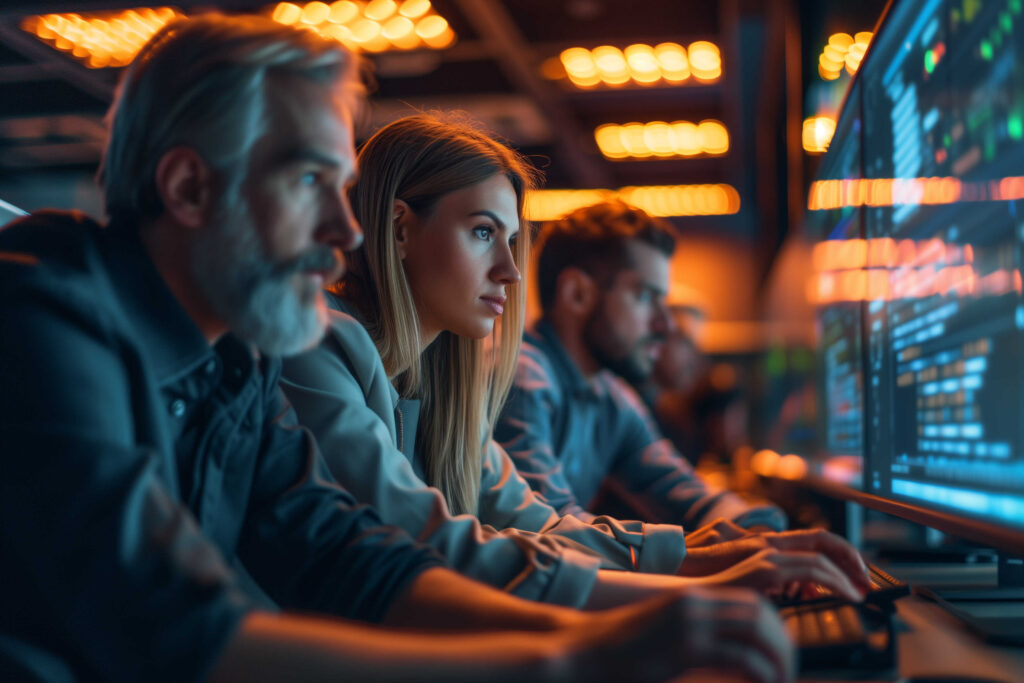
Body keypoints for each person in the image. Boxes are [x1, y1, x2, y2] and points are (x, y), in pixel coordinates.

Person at [0, 16, 796, 682]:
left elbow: (354, 559)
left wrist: (645, 616)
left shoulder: (231, 365)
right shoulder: (45, 308)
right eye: (311, 182)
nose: (346, 232)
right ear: (187, 188)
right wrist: (573, 657)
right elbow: (180, 630)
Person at [279, 114, 871, 611]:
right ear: (400, 229)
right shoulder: (321, 346)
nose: (511, 271)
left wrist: (713, 555)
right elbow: (430, 546)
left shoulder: (442, 384)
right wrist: (698, 586)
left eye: (511, 242)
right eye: (484, 232)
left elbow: (539, 525)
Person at [494, 200, 788, 531]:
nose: (666, 324)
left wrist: (764, 532)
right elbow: (550, 531)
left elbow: (688, 494)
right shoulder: (520, 378)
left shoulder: (611, 396)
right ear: (577, 294)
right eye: (646, 297)